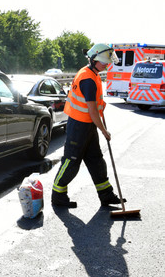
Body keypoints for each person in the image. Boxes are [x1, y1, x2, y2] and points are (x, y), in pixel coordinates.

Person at [51, 43, 125, 208]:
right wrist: (104, 131)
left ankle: (106, 195)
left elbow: (94, 106)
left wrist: (101, 106)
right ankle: (58, 196)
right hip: (79, 126)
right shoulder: (88, 78)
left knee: (96, 161)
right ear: (94, 59)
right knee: (71, 162)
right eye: (104, 61)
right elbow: (92, 111)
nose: (107, 64)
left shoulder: (93, 73)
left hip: (87, 126)